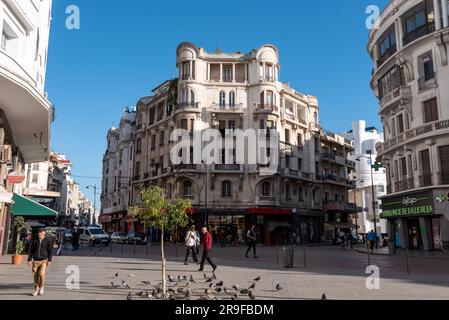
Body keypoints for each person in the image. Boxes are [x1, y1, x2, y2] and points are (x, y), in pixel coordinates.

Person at [27, 229, 53, 297]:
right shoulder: (34, 240)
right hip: (35, 261)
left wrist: (49, 260)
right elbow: (30, 251)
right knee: (35, 276)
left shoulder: (47, 240)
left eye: (41, 232)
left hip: (43, 261)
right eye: (39, 232)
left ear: (44, 233)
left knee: (41, 274)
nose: (39, 234)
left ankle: (41, 287)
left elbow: (50, 251)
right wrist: (29, 260)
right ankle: (36, 289)